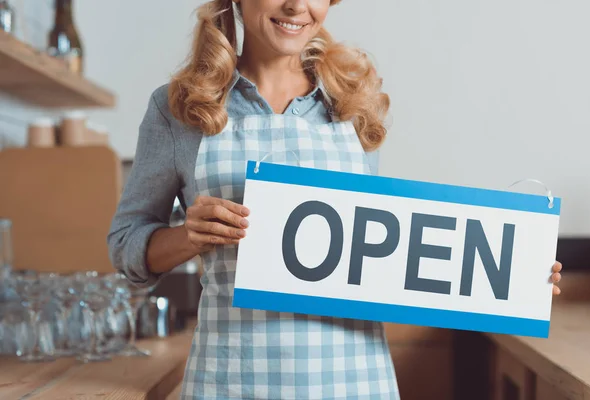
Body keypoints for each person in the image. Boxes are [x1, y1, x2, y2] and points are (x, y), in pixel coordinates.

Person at [107, 0, 563, 398]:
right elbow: (127, 245)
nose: (296, 5)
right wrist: (190, 237)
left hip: (353, 380)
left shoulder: (352, 102)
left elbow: (384, 257)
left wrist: (516, 276)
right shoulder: (179, 108)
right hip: (233, 378)